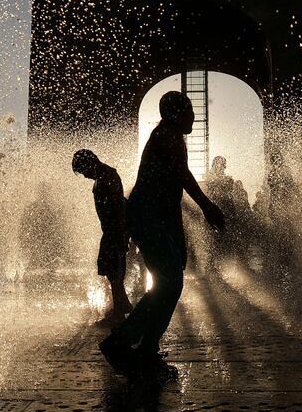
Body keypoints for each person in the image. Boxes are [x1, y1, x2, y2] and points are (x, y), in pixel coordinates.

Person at [99, 91, 225, 378]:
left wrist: (178, 238)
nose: (193, 116)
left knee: (171, 283)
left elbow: (172, 195)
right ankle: (122, 342)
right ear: (175, 114)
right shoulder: (167, 134)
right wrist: (207, 206)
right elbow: (182, 175)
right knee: (169, 283)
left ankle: (146, 348)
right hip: (146, 216)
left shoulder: (172, 136)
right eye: (189, 110)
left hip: (156, 218)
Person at [72, 148, 133, 323]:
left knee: (114, 271)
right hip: (112, 230)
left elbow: (119, 205)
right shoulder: (105, 176)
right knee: (112, 270)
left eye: (83, 171)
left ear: (90, 164)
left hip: (114, 230)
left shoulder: (107, 177)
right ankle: (122, 306)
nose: (84, 175)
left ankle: (120, 312)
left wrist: (123, 234)